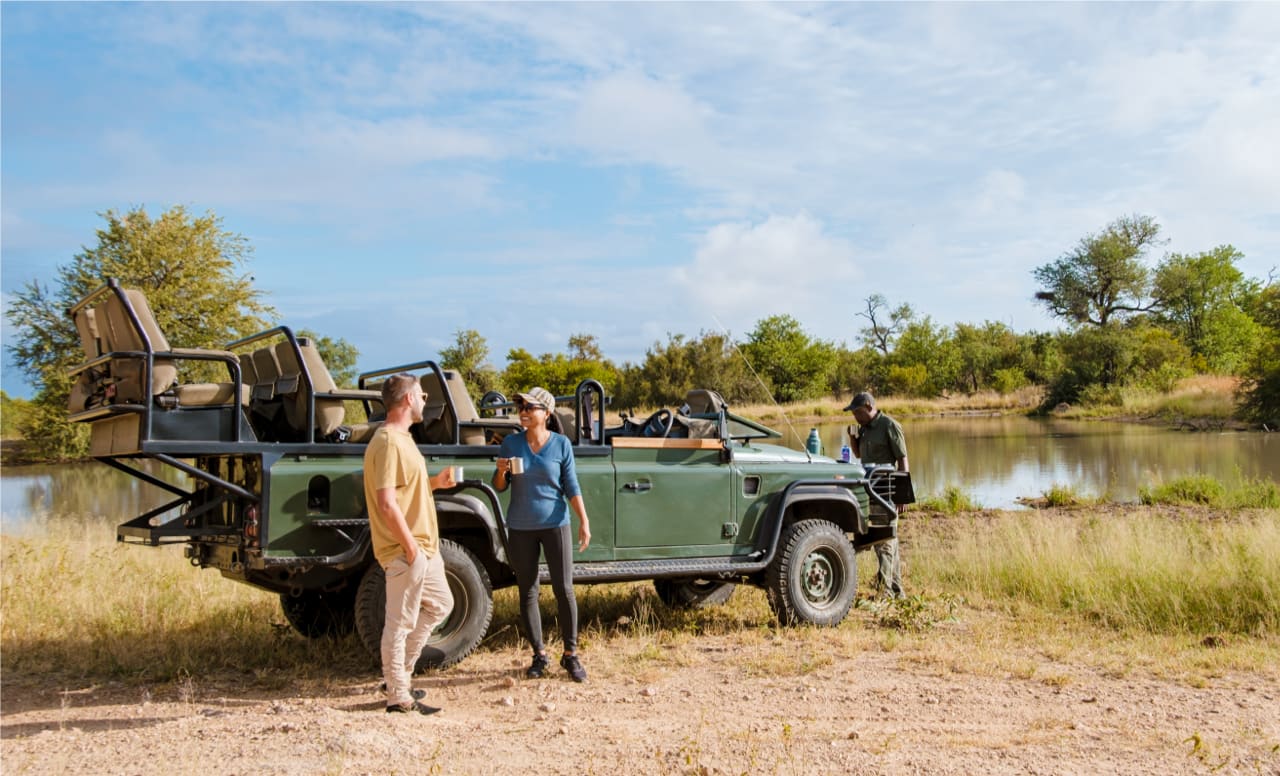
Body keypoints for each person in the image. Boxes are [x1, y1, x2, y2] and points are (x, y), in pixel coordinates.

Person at [364, 373, 456, 714]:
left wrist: (434, 483)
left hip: (423, 548)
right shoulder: (388, 441)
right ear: (406, 400)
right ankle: (397, 697)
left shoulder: (404, 439)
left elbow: (404, 491)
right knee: (399, 623)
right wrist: (411, 548)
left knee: (440, 605)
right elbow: (386, 502)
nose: (424, 398)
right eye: (420, 394)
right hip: (407, 549)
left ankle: (398, 677)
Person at [492, 386, 592, 682]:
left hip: (555, 524)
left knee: (564, 589)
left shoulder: (561, 445)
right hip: (521, 527)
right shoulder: (511, 444)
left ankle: (571, 655)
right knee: (528, 591)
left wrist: (583, 521)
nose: (523, 412)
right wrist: (500, 471)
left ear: (546, 414)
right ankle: (539, 655)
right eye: (521, 407)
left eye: (530, 407)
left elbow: (571, 485)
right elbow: (500, 486)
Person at [845, 391, 909, 599]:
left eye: (858, 412)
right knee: (885, 537)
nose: (855, 416)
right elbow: (859, 456)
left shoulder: (889, 425)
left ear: (869, 406)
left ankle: (885, 591)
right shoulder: (863, 430)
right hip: (868, 484)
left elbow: (902, 459)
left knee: (885, 538)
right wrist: (853, 438)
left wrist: (902, 493)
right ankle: (897, 590)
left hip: (886, 485)